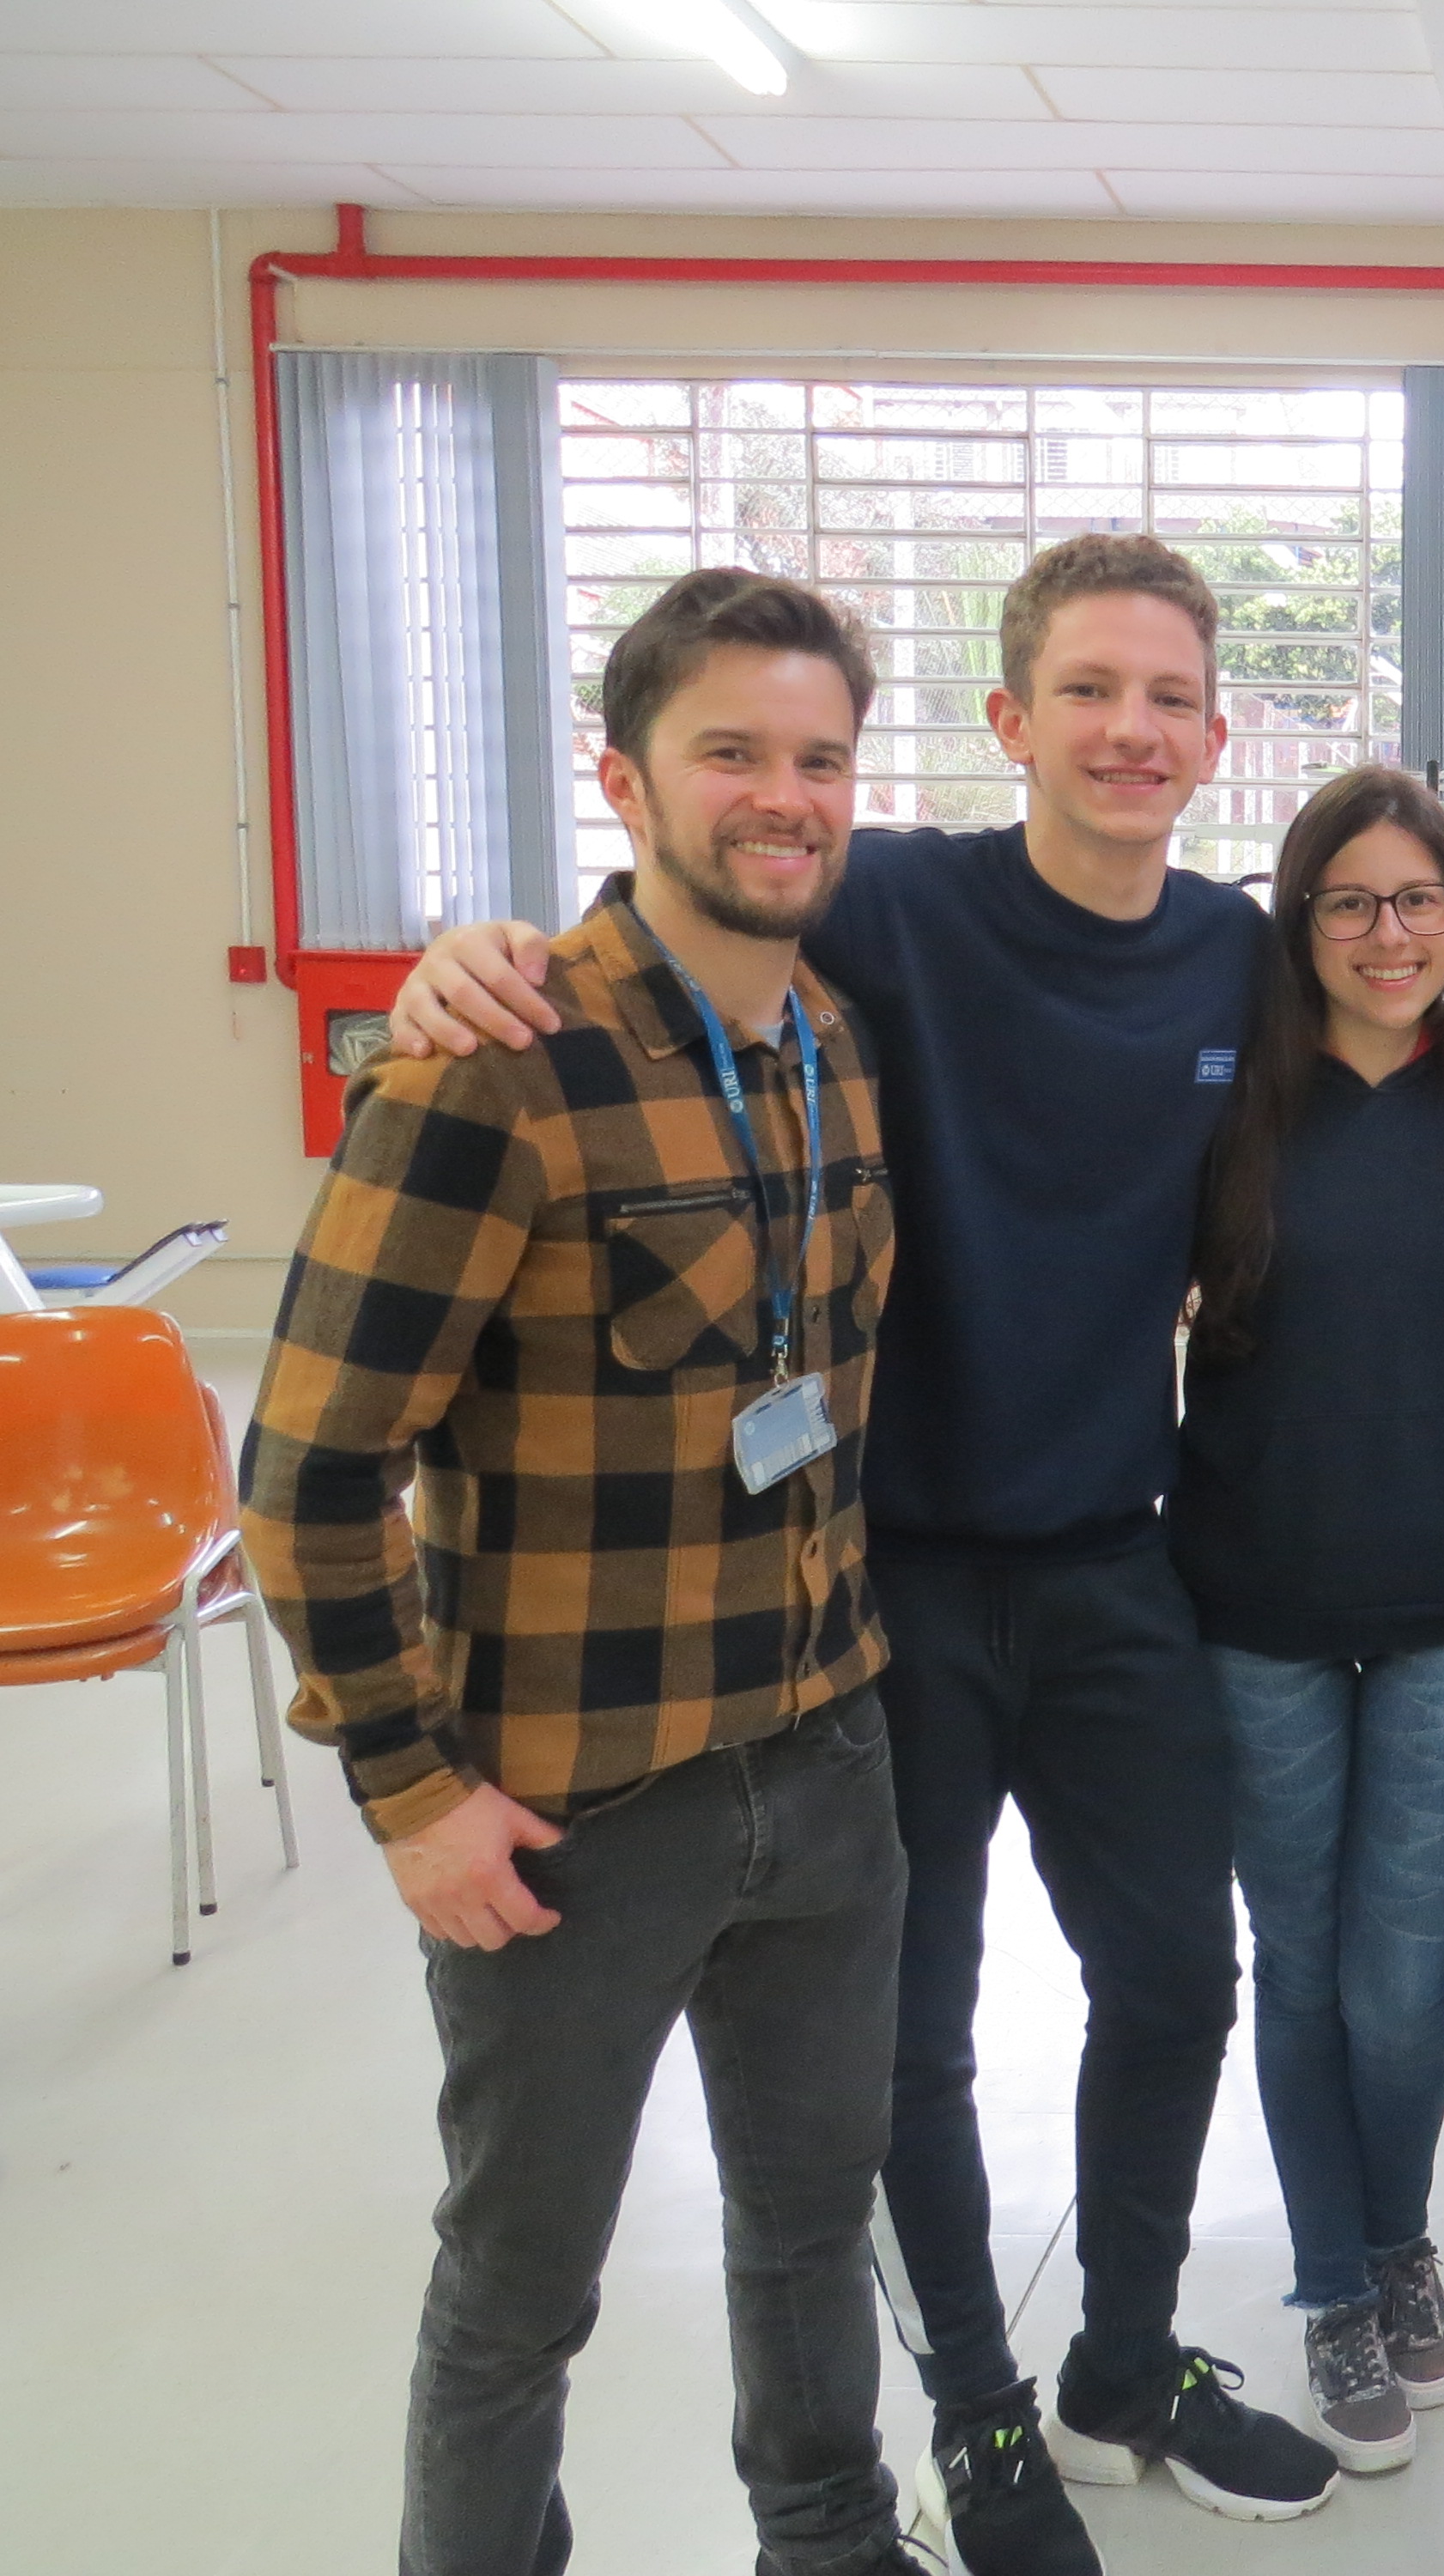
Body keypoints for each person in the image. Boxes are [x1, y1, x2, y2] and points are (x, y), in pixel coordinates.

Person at [385, 536, 1336, 2574]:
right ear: (1008, 722)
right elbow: (676, 910)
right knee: (909, 2040)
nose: (1131, 730)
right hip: (875, 1581)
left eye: (1170, 698)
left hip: (1113, 1562)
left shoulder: (1230, 958)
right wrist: (461, 957)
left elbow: (1394, 1053)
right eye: (1088, 691)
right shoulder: (889, 899)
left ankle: (1126, 2360)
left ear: (1213, 739)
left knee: (1179, 1979)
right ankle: (978, 2415)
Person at [240, 569, 927, 2576]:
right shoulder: (492, 1062)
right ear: (621, 777)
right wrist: (410, 1790)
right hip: (570, 1812)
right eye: (731, 751)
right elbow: (308, 1472)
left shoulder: (833, 1043)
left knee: (810, 2220)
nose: (782, 795)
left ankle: (828, 2541)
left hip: (823, 1752)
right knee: (519, 2287)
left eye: (819, 757)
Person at [1172, 766, 1444, 2474]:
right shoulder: (1232, 1101)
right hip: (1257, 1603)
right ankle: (1332, 2281)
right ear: (1300, 920)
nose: (1387, 933)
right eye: (1349, 902)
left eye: (1417, 899)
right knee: (1299, 1963)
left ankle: (1399, 2241)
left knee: (1400, 1977)